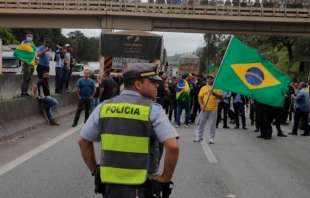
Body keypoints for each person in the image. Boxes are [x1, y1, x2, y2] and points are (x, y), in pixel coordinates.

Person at [78, 63, 179, 198]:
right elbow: (172, 147)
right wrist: (166, 177)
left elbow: (83, 142)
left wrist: (95, 170)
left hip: (110, 187)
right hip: (142, 185)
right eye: (152, 82)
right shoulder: (153, 110)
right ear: (138, 84)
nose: (157, 86)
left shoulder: (103, 107)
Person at [194, 74, 222, 144]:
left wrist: (214, 93)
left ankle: (211, 138)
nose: (209, 79)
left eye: (211, 78)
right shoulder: (203, 88)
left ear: (213, 80)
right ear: (206, 79)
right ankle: (199, 137)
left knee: (212, 124)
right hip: (204, 108)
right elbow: (199, 97)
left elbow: (221, 97)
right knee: (201, 123)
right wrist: (201, 105)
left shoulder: (217, 87)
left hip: (213, 109)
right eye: (208, 78)